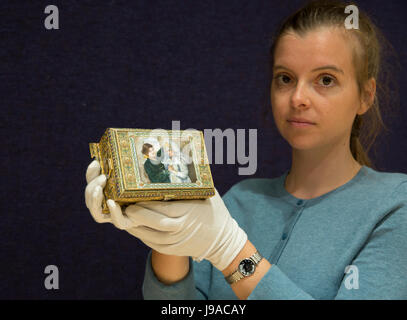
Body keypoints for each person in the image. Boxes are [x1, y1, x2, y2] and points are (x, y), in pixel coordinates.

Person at [84, 0, 407, 299]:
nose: (298, 98)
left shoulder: (395, 205)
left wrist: (232, 250)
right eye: (285, 78)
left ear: (366, 95)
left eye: (325, 80)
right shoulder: (241, 199)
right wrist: (166, 236)